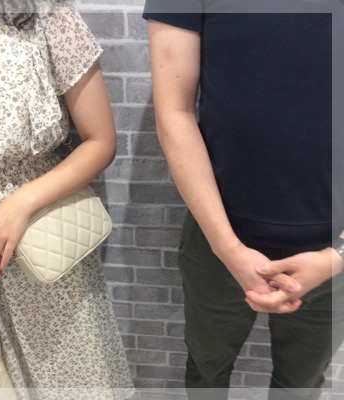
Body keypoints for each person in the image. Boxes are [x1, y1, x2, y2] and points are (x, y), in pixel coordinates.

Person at [144, 2, 344, 400]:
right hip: (218, 235)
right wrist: (228, 248)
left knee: (301, 386)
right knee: (207, 372)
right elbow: (174, 111)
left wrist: (337, 256)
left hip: (333, 249)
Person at [0, 0, 133, 399]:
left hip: (43, 238)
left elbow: (100, 141)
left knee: (78, 383)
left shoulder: (44, 9)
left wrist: (21, 203)